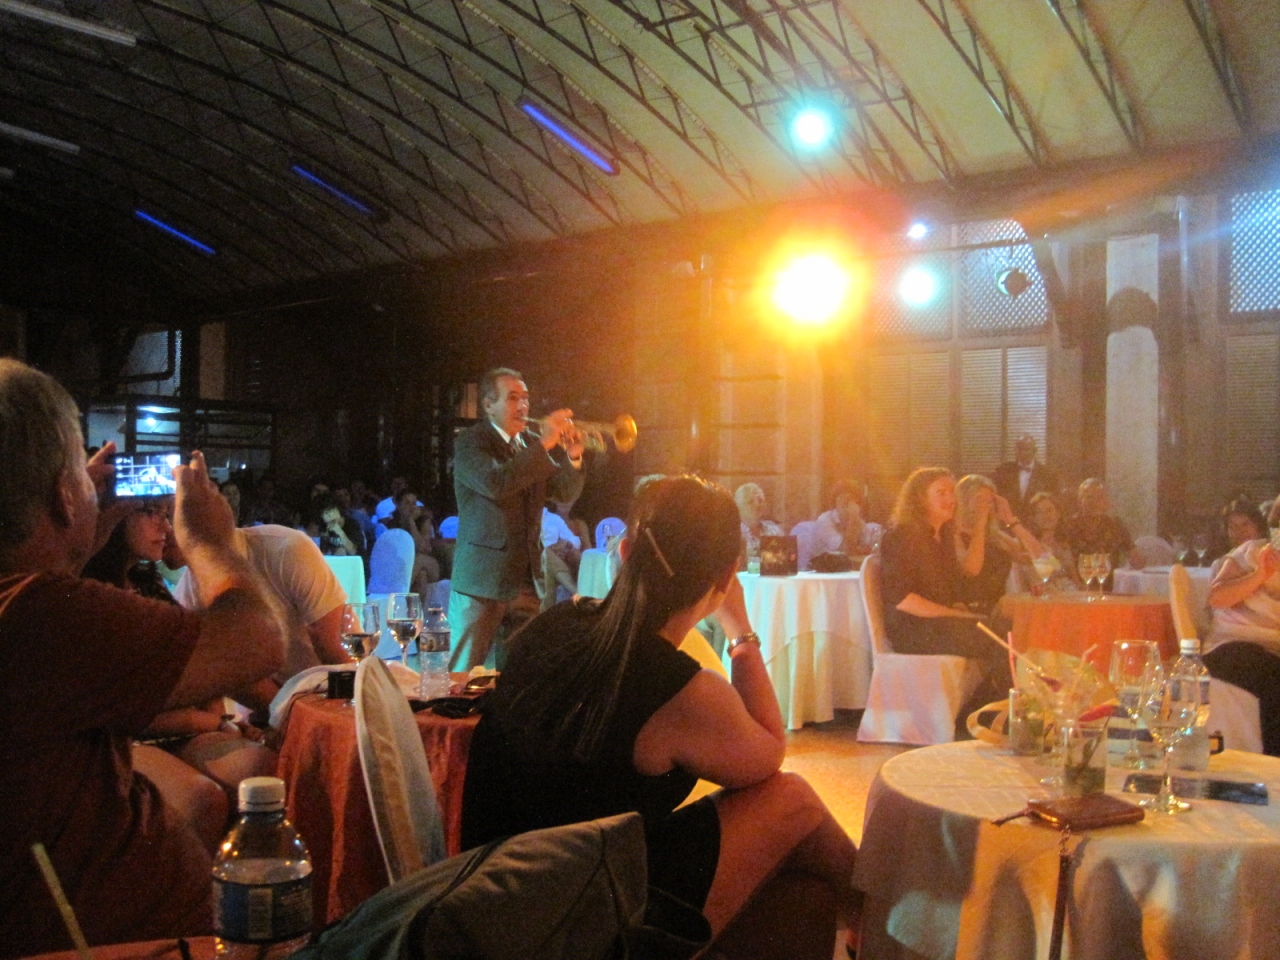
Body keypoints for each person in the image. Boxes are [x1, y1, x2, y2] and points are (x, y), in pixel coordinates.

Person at [461, 476, 857, 958]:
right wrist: (740, 631)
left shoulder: (556, 624)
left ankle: (864, 926)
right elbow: (770, 753)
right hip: (571, 922)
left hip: (491, 893)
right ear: (726, 578)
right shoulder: (680, 690)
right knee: (793, 800)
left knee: (803, 887)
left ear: (625, 552)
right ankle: (879, 923)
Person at [0, 358, 286, 957]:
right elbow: (257, 638)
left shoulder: (33, 614)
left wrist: (81, 530)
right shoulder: (41, 617)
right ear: (62, 495)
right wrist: (210, 540)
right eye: (78, 472)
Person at [82, 497, 278, 814]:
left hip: (187, 730)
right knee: (201, 798)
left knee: (262, 769)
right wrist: (208, 721)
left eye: (165, 514)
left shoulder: (147, 582)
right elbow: (115, 704)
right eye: (150, 512)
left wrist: (221, 722)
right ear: (115, 514)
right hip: (125, 739)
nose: (165, 525)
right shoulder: (89, 592)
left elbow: (192, 660)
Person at [449, 367, 584, 670]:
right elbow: (496, 483)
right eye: (512, 398)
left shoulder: (530, 444)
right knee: (463, 676)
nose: (523, 406)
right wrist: (543, 445)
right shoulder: (471, 442)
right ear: (488, 405)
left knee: (518, 676)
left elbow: (563, 492)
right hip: (481, 583)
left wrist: (573, 456)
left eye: (525, 398)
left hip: (526, 580)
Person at [171, 522, 350, 714]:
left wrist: (349, 709)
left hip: (332, 688)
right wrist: (288, 716)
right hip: (274, 706)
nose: (164, 527)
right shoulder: (187, 597)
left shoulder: (286, 550)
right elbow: (228, 678)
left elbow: (333, 650)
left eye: (168, 516)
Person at [878, 467, 1013, 716]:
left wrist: (960, 609)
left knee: (1009, 628)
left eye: (952, 492)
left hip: (940, 623)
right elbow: (903, 600)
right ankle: (1002, 714)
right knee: (1001, 636)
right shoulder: (901, 535)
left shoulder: (944, 535)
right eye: (941, 493)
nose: (950, 499)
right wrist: (958, 615)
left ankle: (995, 710)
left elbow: (961, 579)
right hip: (913, 628)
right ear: (920, 498)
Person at [1204, 536, 1280, 756]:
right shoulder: (1254, 552)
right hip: (1232, 645)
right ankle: (1273, 764)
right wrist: (1260, 575)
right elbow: (1217, 597)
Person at [953, 474, 1044, 616]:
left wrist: (1011, 521)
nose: (985, 505)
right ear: (963, 500)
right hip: (968, 612)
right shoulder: (954, 534)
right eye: (979, 499)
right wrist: (980, 522)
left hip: (998, 611)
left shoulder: (995, 536)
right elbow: (970, 569)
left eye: (989, 501)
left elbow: (1045, 561)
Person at [1058, 478, 1139, 573]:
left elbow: (1134, 556)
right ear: (1079, 501)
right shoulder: (1068, 526)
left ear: (1106, 502)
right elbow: (1061, 561)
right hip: (1078, 580)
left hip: (1109, 580)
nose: (1094, 502)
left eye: (1099, 498)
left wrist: (1137, 559)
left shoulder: (1115, 524)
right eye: (1089, 497)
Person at [991, 434, 1061, 523]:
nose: (1022, 453)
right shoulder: (1003, 471)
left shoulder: (1047, 474)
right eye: (1019, 449)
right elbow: (995, 496)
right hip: (1007, 522)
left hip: (1036, 524)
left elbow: (1054, 501)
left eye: (1026, 449)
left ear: (1034, 451)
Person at [811, 480, 882, 557]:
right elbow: (845, 550)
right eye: (841, 498)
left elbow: (867, 548)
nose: (845, 502)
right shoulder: (825, 520)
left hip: (849, 563)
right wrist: (852, 519)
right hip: (824, 563)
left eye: (850, 499)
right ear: (834, 501)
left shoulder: (859, 522)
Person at [1026, 491, 1080, 590]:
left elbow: (1075, 580)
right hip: (1047, 594)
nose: (1046, 516)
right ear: (1034, 518)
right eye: (1039, 512)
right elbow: (1049, 574)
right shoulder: (1033, 546)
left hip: (1072, 593)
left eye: (1049, 510)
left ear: (1058, 513)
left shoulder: (1064, 544)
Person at [735, 482, 782, 571]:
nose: (757, 505)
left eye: (760, 500)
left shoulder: (774, 530)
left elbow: (783, 562)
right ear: (738, 507)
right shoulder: (734, 533)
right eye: (750, 501)